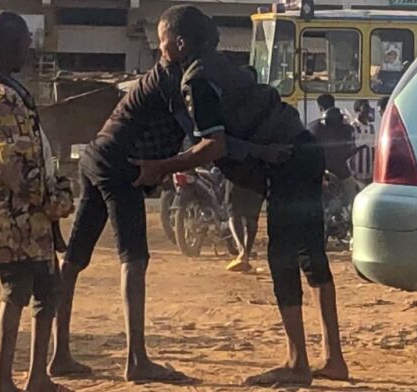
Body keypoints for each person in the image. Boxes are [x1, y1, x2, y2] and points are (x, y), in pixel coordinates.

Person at [131, 5, 348, 386]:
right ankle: (334, 359)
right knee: (311, 256)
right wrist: (256, 151)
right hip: (305, 151)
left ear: (180, 44)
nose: (160, 52)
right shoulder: (223, 65)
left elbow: (212, 145)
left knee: (281, 258)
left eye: (163, 45)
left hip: (289, 165)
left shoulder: (196, 80)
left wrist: (162, 166)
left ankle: (297, 363)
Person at [49, 58, 190, 382]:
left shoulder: (155, 79)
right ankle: (137, 359)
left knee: (73, 260)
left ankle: (59, 355)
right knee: (134, 259)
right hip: (121, 168)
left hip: (95, 157)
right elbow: (199, 135)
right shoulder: (175, 82)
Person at [0, 11, 74, 392]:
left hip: (21, 222)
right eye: (26, 43)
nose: (30, 49)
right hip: (14, 222)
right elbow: (13, 167)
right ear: (12, 45)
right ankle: (5, 380)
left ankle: (35, 378)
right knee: (17, 294)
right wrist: (56, 200)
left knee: (46, 293)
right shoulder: (5, 99)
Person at [224, 65, 265, 273]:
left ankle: (242, 252)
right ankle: (245, 252)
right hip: (258, 167)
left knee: (234, 212)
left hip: (238, 167)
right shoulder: (267, 103)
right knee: (251, 216)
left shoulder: (232, 104)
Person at [315, 108, 358, 206]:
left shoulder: (318, 129)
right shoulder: (346, 130)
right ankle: (351, 214)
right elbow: (349, 150)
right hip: (341, 171)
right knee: (352, 194)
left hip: (320, 169)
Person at [350, 99, 376, 188]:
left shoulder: (371, 127)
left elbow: (373, 148)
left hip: (370, 173)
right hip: (357, 173)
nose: (367, 109)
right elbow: (350, 149)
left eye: (368, 107)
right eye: (364, 107)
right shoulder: (353, 127)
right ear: (357, 111)